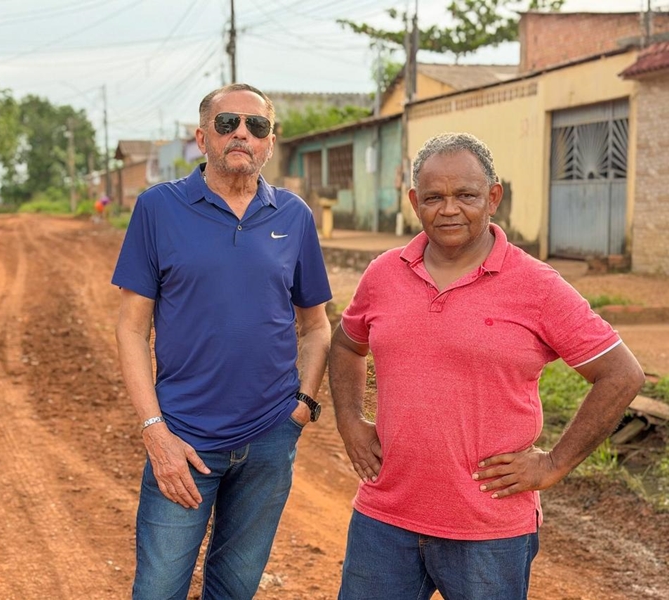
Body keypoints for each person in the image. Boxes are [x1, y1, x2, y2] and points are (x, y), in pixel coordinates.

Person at [329, 132, 644, 600]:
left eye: (467, 195)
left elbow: (622, 374)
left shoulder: (537, 285)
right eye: (434, 197)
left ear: (493, 197)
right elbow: (346, 345)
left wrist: (554, 464)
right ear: (416, 201)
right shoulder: (384, 274)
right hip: (384, 519)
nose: (449, 209)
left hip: (489, 529)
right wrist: (351, 421)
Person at [112, 83, 332, 599]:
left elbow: (317, 325)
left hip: (270, 440)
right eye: (227, 123)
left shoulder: (294, 216)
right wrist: (154, 432)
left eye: (256, 127)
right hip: (184, 439)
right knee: (158, 589)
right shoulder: (158, 209)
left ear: (269, 143)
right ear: (201, 137)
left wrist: (301, 406)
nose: (241, 134)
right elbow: (130, 327)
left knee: (235, 589)